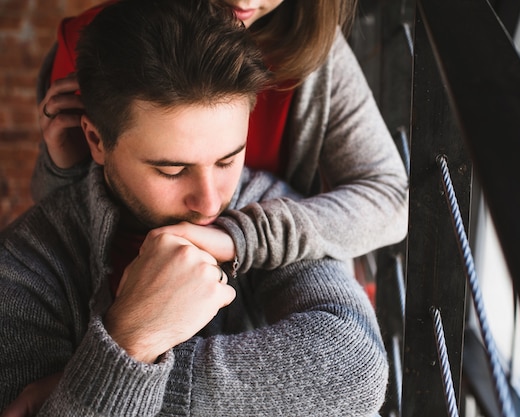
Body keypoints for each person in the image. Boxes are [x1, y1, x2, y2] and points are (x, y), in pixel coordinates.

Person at [0, 0, 388, 415]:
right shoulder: (23, 266)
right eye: (171, 170)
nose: (209, 202)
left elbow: (354, 372)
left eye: (228, 160)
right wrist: (132, 335)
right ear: (95, 140)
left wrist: (103, 372)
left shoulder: (262, 207)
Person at [32, 0, 409, 276]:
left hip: (266, 289)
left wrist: (242, 237)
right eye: (172, 169)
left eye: (229, 160)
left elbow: (390, 199)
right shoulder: (91, 45)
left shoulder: (312, 56)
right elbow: (57, 227)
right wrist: (60, 170)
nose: (245, 2)